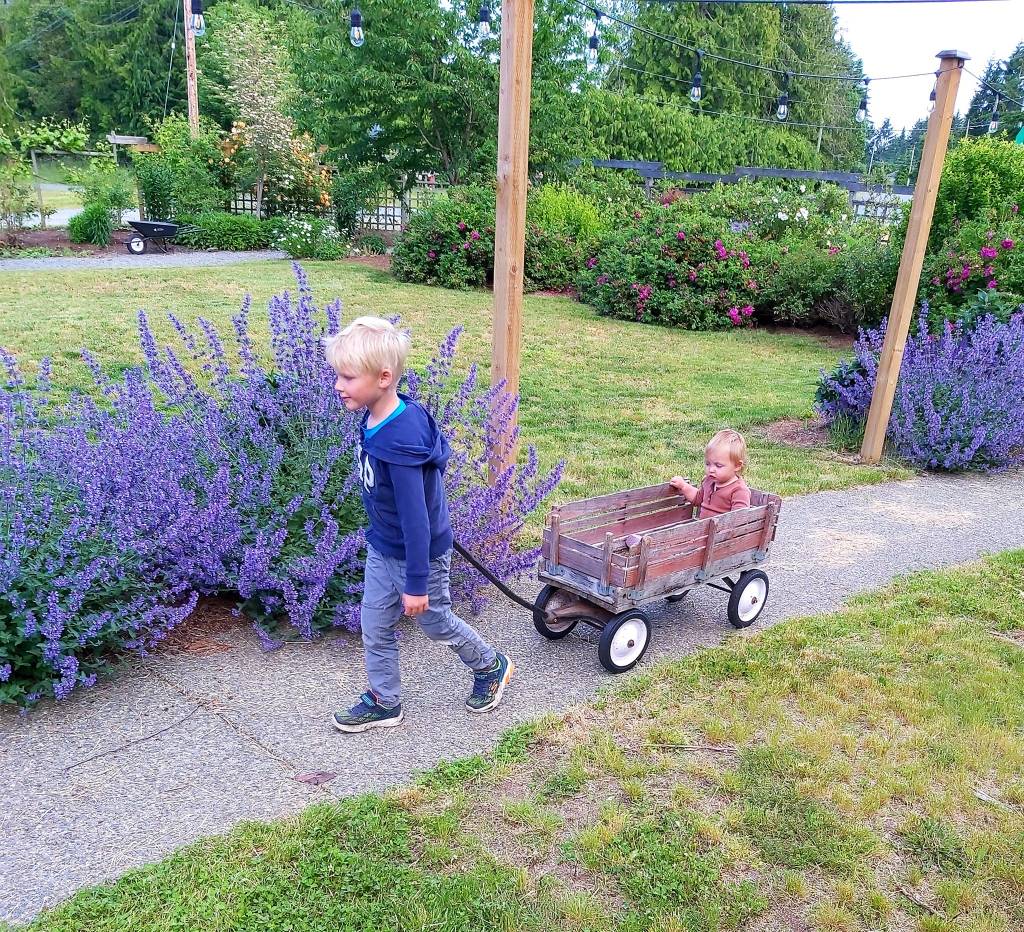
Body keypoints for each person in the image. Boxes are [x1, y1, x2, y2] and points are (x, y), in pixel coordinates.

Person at [324, 316, 513, 733]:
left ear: (384, 377)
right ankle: (385, 700)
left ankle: (490, 664)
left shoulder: (400, 440)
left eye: (348, 377)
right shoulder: (383, 413)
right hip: (382, 545)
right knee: (373, 623)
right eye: (338, 374)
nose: (338, 385)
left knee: (434, 619)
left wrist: (415, 582)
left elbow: (417, 521)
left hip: (416, 552)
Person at [670, 429, 751, 518]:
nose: (711, 469)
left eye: (718, 465)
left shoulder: (739, 490)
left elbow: (739, 519)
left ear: (737, 466)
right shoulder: (708, 481)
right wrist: (683, 486)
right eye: (708, 464)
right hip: (703, 528)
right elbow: (698, 499)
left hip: (722, 530)